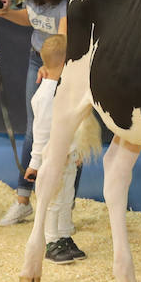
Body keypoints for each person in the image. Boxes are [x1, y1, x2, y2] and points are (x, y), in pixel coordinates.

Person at [0, 0, 77, 226]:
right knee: (33, 128)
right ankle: (23, 200)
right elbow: (30, 18)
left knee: (68, 135)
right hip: (37, 61)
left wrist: (54, 69)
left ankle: (66, 207)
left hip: (63, 66)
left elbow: (63, 40)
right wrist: (3, 13)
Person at [25, 34, 87, 264]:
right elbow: (39, 134)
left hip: (68, 157)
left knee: (65, 198)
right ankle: (51, 242)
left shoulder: (63, 90)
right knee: (53, 199)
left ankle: (64, 236)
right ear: (65, 63)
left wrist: (77, 150)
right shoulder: (47, 95)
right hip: (52, 160)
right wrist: (35, 164)